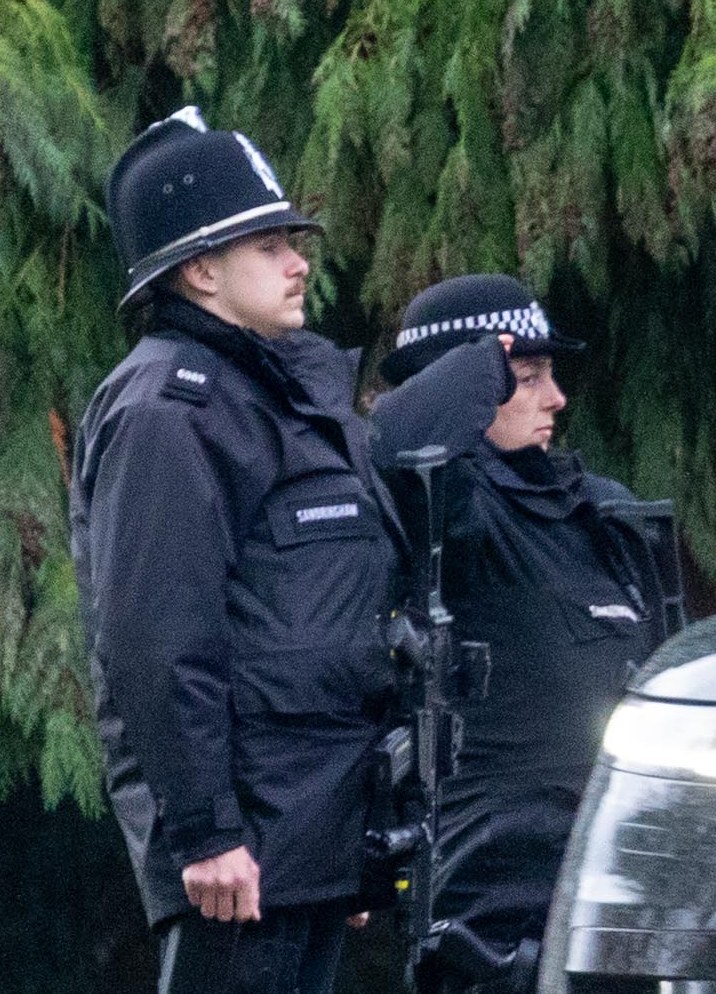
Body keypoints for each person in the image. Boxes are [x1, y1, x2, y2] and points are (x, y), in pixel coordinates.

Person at [70, 107, 405, 993]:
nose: (300, 262)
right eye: (269, 244)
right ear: (202, 269)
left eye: (295, 240)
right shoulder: (166, 411)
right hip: (240, 858)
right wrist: (208, 832)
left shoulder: (277, 393)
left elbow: (324, 619)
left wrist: (350, 833)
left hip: (307, 841)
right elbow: (156, 638)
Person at [370, 274, 683, 993]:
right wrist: (480, 362)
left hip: (622, 873)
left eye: (552, 376)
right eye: (527, 378)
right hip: (491, 894)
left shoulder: (603, 514)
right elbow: (395, 443)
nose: (556, 400)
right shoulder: (444, 512)